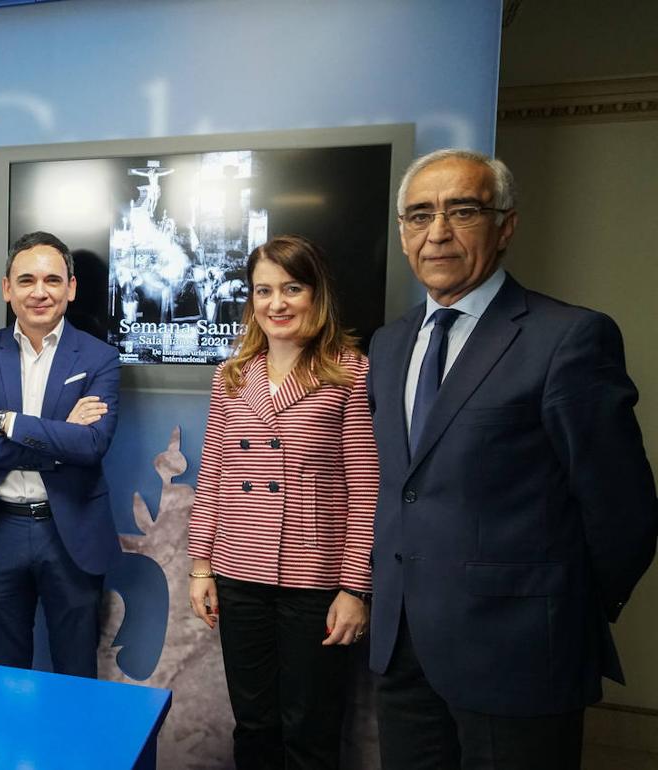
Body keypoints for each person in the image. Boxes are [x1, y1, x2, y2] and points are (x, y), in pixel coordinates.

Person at [368, 149, 658, 769]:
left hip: (519, 655)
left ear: (506, 225)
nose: (437, 232)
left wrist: (558, 608)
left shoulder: (568, 338)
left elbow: (623, 511)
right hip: (404, 647)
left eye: (461, 210)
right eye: (419, 215)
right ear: (402, 234)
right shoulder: (389, 344)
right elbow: (407, 488)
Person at [188, 235, 377, 769]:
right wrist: (200, 568)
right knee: (254, 723)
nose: (277, 303)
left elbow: (366, 487)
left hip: (314, 580)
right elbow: (215, 476)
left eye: (292, 288)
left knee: (310, 731)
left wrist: (355, 587)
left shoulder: (349, 371)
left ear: (317, 294)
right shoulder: (231, 376)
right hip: (239, 573)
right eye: (263, 291)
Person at [0, 231, 121, 678]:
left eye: (52, 279)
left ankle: (73, 751)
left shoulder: (99, 358)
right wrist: (59, 437)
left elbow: (92, 445)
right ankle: (10, 750)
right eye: (26, 280)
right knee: (4, 673)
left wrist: (8, 423)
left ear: (71, 288)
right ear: (8, 289)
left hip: (71, 530)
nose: (40, 292)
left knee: (75, 671)